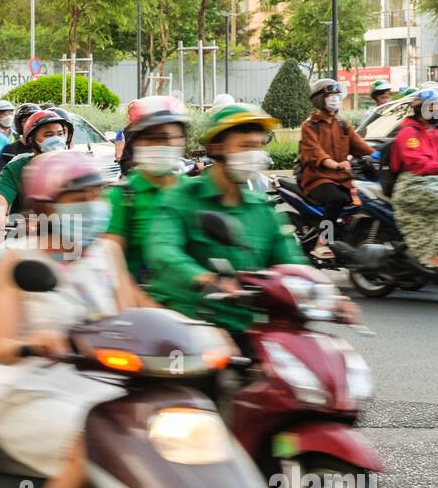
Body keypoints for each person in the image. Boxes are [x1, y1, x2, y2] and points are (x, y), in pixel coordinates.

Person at [0, 151, 149, 488]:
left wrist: (194, 327)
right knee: (92, 441)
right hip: (33, 389)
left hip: (103, 384)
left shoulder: (108, 253)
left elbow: (138, 310)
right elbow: (3, 346)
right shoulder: (17, 259)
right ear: (47, 205)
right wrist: (39, 342)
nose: (93, 205)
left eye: (98, 195)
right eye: (80, 197)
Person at [145, 105, 310, 355]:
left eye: (258, 147)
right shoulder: (181, 198)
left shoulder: (261, 209)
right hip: (187, 329)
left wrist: (319, 291)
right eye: (245, 146)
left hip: (245, 329)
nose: (254, 155)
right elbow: (164, 252)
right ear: (216, 148)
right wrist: (208, 279)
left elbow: (290, 260)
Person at [0, 107, 74, 357]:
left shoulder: (76, 164)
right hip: (28, 237)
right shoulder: (18, 166)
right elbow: (1, 197)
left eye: (60, 132)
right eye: (48, 134)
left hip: (72, 238)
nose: (56, 138)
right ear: (32, 139)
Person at [104, 96, 191, 282]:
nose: (160, 145)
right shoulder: (123, 196)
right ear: (136, 143)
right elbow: (111, 266)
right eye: (151, 138)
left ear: (182, 141)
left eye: (168, 138)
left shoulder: (194, 191)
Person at [387, 88, 438, 273]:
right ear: (420, 109)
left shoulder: (431, 131)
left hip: (433, 182)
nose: (436, 111)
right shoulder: (408, 132)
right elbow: (415, 162)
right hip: (412, 184)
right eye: (432, 107)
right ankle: (433, 252)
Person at [298, 78, 375, 261]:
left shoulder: (342, 123)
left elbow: (360, 145)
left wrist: (380, 156)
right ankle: (322, 242)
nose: (334, 99)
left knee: (362, 198)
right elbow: (314, 152)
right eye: (329, 95)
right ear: (319, 99)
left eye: (336, 95)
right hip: (317, 178)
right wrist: (334, 163)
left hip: (342, 177)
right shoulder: (310, 125)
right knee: (337, 199)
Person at [0, 102, 41, 172]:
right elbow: (2, 175)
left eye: (35, 120)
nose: (31, 124)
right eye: (26, 121)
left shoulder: (45, 148)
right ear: (19, 125)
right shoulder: (8, 150)